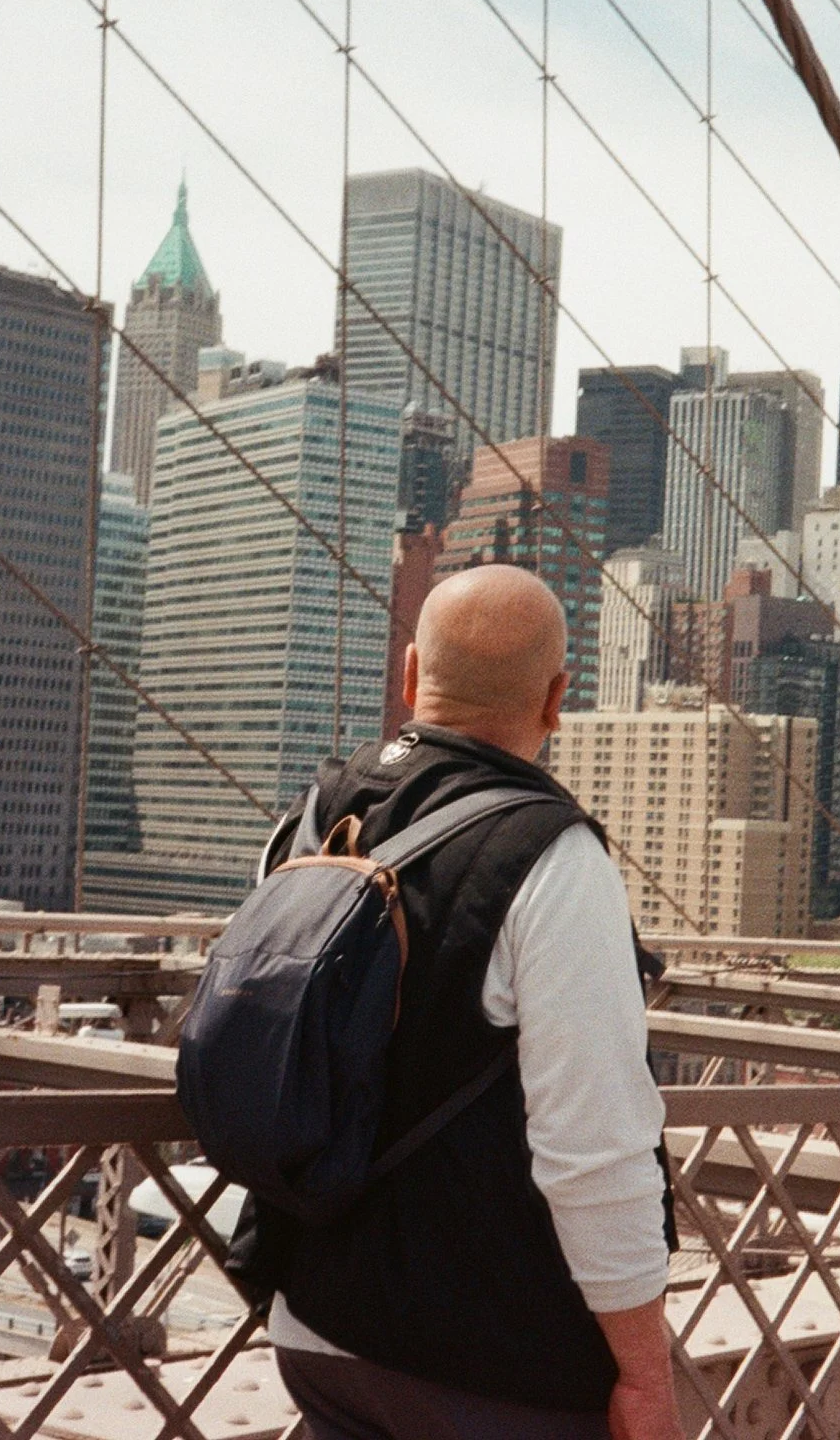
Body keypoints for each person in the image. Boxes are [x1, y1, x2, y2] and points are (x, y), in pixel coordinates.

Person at [243, 564, 681, 1440]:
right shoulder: (552, 859)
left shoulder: (310, 819)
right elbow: (594, 1148)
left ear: (411, 675)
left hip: (313, 1327)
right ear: (558, 699)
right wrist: (644, 1370)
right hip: (488, 1365)